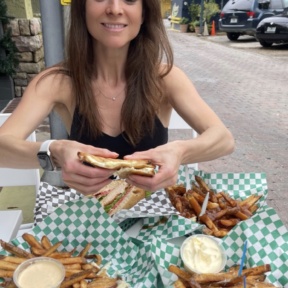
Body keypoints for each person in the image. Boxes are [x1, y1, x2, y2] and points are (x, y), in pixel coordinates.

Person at [0, 0, 234, 196]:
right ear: (82, 9)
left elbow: (223, 139)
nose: (114, 8)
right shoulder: (57, 81)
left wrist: (180, 152)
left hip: (157, 229)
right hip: (92, 229)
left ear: (144, 13)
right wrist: (54, 151)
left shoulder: (165, 78)